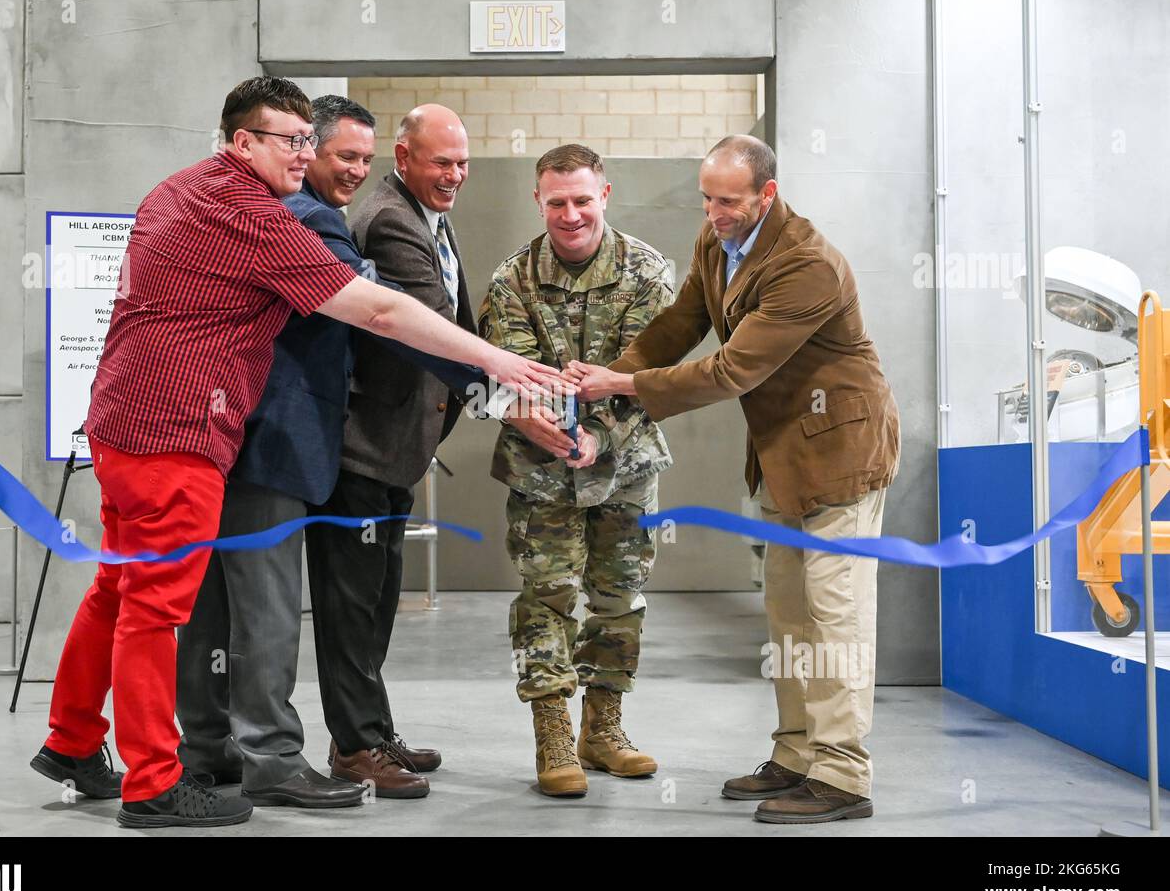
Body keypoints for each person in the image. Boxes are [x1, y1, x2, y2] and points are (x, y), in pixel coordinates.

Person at [28, 78, 562, 828]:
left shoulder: (179, 188)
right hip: (177, 431)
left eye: (311, 140)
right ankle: (153, 782)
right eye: (293, 141)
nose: (306, 156)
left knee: (118, 585)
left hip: (121, 419)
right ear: (243, 142)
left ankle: (73, 740)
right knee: (155, 607)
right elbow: (376, 307)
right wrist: (497, 364)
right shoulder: (255, 216)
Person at [174, 95, 499, 810]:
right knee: (266, 609)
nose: (342, 166)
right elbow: (385, 316)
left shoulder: (205, 200)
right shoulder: (305, 219)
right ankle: (273, 756)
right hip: (272, 441)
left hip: (220, 433)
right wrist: (505, 383)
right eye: (311, 147)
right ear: (251, 142)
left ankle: (208, 745)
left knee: (215, 607)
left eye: (361, 156)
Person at [567, 134, 900, 824]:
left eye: (728, 201)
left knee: (835, 617)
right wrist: (610, 385)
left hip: (842, 451)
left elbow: (731, 369)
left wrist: (625, 383)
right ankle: (797, 752)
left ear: (766, 195)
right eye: (707, 199)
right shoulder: (718, 241)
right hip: (784, 454)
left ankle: (842, 774)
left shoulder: (807, 263)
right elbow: (681, 322)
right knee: (788, 613)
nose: (713, 213)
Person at [480, 144, 675, 798]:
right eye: (556, 202)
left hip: (624, 464)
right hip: (540, 472)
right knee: (549, 595)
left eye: (582, 200)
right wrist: (535, 423)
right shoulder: (511, 282)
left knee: (620, 596)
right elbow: (501, 381)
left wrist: (595, 436)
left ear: (605, 195)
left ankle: (603, 725)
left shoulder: (649, 273)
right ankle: (553, 731)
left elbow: (648, 377)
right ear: (539, 201)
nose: (570, 215)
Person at [307, 103, 490, 798]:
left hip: (398, 447)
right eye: (441, 162)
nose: (455, 175)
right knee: (351, 604)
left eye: (463, 162)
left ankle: (370, 729)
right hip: (362, 448)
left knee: (378, 601)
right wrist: (512, 395)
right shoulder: (388, 217)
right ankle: (354, 747)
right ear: (406, 158)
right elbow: (434, 331)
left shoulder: (426, 217)